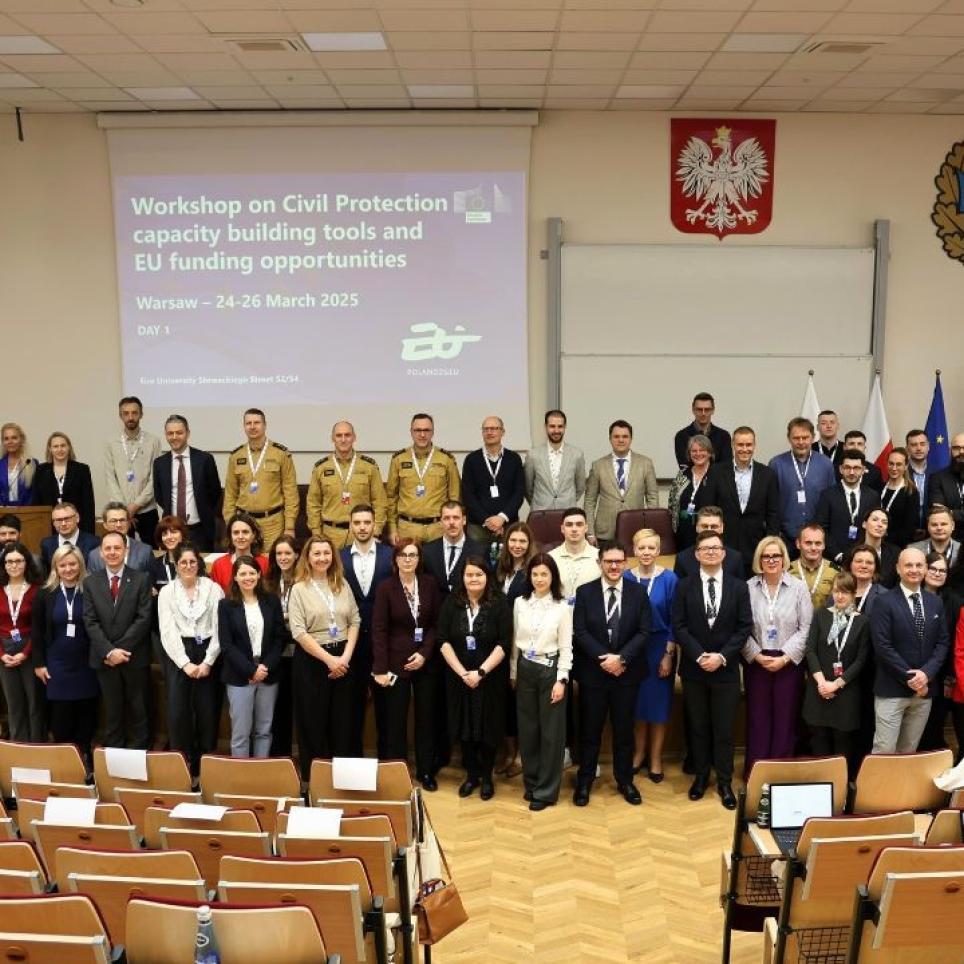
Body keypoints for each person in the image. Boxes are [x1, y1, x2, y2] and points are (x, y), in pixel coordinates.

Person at [673, 530, 753, 810]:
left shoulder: (738, 587)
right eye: (705, 548)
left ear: (724, 553)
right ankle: (700, 777)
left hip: (725, 670)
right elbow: (679, 625)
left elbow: (744, 627)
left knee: (723, 729)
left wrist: (721, 656)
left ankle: (724, 782)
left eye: (715, 548)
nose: (710, 552)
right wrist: (698, 655)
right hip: (694, 669)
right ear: (696, 554)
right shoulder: (684, 586)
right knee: (698, 727)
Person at [572, 541, 651, 807]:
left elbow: (644, 631)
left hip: (626, 675)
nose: (614, 566)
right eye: (609, 561)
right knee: (590, 732)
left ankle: (625, 780)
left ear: (626, 563)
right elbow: (580, 631)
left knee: (624, 732)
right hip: (593, 674)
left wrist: (622, 658)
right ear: (600, 563)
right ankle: (585, 781)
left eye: (618, 561)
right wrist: (604, 659)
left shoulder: (639, 593)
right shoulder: (585, 592)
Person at [438, 556, 511, 800]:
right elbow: (443, 640)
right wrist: (463, 673)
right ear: (462, 577)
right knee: (465, 727)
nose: (474, 579)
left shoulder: (500, 603)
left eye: (479, 574)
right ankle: (472, 775)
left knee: (488, 727)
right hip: (459, 677)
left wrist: (480, 673)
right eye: (469, 574)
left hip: (490, 678)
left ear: (487, 577)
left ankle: (487, 777)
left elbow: (504, 643)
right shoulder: (452, 602)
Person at [288, 536, 361, 778]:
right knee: (313, 723)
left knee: (343, 723)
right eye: (316, 553)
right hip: (312, 661)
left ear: (333, 556)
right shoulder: (298, 589)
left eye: (326, 553)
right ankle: (315, 781)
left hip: (344, 660)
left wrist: (345, 657)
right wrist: (329, 660)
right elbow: (298, 632)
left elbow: (355, 621)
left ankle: (343, 782)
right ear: (307, 557)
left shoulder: (342, 584)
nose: (322, 558)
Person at [371, 539, 442, 786]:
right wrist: (380, 668)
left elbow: (436, 624)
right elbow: (379, 629)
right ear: (395, 559)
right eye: (403, 555)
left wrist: (424, 653)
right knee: (395, 721)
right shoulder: (385, 587)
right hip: (395, 663)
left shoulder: (429, 584)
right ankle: (397, 773)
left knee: (427, 719)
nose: (408, 559)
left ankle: (425, 771)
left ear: (419, 559)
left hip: (425, 662)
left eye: (413, 555)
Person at [741, 536, 812, 776]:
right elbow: (740, 627)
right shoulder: (748, 587)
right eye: (766, 556)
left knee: (785, 720)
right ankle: (756, 773)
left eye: (776, 556)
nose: (771, 560)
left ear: (784, 559)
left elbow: (806, 628)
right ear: (759, 560)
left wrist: (784, 657)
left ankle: (780, 774)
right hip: (757, 662)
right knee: (758, 719)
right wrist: (756, 655)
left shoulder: (799, 587)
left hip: (788, 662)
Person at [870, 547, 949, 753]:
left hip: (923, 692)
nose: (914, 569)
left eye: (919, 565)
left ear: (925, 569)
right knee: (885, 750)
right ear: (898, 568)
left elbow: (942, 643)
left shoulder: (935, 602)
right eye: (908, 565)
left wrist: (926, 675)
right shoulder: (883, 602)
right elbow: (882, 646)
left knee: (909, 751)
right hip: (892, 690)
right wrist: (912, 678)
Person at [512, 553, 572, 810]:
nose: (539, 579)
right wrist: (513, 672)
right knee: (528, 730)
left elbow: (566, 646)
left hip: (550, 670)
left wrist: (562, 679)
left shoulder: (562, 607)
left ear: (553, 577)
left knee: (551, 733)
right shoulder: (520, 603)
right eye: (535, 574)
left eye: (544, 574)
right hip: (525, 668)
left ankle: (546, 791)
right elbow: (514, 641)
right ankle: (532, 783)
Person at [158, 544, 224, 775]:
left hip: (208, 650)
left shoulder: (213, 589)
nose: (188, 566)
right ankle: (182, 764)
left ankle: (205, 764)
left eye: (192, 562)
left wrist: (208, 661)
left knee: (207, 709)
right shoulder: (167, 592)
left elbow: (220, 628)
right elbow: (167, 631)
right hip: (179, 652)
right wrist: (184, 663)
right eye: (183, 562)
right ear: (176, 565)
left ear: (199, 564)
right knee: (178, 710)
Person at [83, 530, 153, 748]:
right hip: (104, 659)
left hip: (134, 657)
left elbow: (144, 618)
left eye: (117, 548)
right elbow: (90, 620)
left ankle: (139, 754)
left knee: (139, 710)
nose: (112, 552)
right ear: (100, 552)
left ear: (126, 550)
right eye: (108, 548)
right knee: (112, 711)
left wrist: (119, 650)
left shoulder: (141, 579)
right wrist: (109, 651)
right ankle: (115, 756)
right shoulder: (90, 582)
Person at [32, 545, 100, 767]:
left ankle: (85, 763)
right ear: (55, 567)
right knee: (61, 722)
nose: (68, 569)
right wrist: (39, 663)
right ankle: (65, 766)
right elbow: (37, 632)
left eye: (73, 564)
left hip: (87, 665)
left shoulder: (91, 589)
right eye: (63, 565)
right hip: (57, 666)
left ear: (80, 565)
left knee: (86, 718)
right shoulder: (45, 593)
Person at [802, 571, 871, 777]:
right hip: (819, 689)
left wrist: (837, 684)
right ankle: (821, 784)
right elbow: (810, 650)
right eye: (836, 591)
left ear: (853, 594)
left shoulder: (862, 622)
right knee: (818, 740)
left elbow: (861, 660)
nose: (840, 596)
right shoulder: (821, 615)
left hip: (846, 691)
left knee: (843, 743)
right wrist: (822, 683)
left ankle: (841, 787)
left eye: (845, 592)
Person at [623, 528, 678, 783]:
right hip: (633, 649)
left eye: (651, 548)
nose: (646, 552)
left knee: (658, 706)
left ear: (659, 551)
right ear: (634, 550)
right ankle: (638, 754)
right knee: (636, 705)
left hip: (659, 648)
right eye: (641, 548)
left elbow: (676, 620)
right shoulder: (626, 577)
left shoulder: (669, 579)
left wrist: (668, 653)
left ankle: (655, 758)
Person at [218, 555, 286, 758]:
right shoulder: (226, 605)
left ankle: (260, 772)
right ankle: (241, 774)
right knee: (241, 734)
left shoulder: (271, 601)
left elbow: (279, 638)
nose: (247, 577)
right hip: (240, 676)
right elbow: (227, 645)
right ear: (235, 577)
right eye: (242, 574)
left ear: (259, 574)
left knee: (264, 731)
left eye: (251, 573)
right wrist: (251, 670)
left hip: (268, 673)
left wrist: (264, 667)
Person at [340, 503, 394, 756]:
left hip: (382, 641)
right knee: (351, 706)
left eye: (366, 522)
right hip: (349, 643)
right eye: (357, 523)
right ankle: (353, 759)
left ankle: (386, 760)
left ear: (375, 525)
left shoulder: (390, 555)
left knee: (385, 706)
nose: (362, 527)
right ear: (350, 525)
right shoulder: (339, 557)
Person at [702, 425, 780, 575]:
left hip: (756, 547)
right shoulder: (716, 472)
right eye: (740, 445)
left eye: (748, 445)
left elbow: (773, 514)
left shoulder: (768, 475)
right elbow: (708, 509)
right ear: (733, 445)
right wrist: (712, 542)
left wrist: (769, 545)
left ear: (754, 445)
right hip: (724, 547)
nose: (744, 449)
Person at [494, 520, 538, 778]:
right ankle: (509, 753)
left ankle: (523, 755)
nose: (517, 545)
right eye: (513, 540)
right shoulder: (499, 569)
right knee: (505, 703)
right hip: (499, 643)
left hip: (523, 645)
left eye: (522, 541)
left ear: (529, 544)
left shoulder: (534, 571)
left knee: (523, 703)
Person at [222, 408, 298, 553]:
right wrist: (231, 524)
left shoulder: (280, 454)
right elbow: (230, 494)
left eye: (256, 422)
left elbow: (291, 493)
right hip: (244, 523)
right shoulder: (236, 456)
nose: (252, 426)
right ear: (244, 426)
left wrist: (289, 527)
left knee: (271, 562)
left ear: (265, 425)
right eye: (248, 423)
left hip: (273, 523)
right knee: (245, 562)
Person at [307, 421, 388, 549]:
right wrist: (316, 533)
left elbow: (379, 501)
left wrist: (376, 531)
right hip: (330, 535)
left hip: (362, 533)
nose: (343, 439)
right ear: (332, 438)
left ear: (354, 437)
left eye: (347, 435)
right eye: (339, 435)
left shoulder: (369, 466)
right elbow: (313, 503)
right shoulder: (321, 467)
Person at [386, 413, 460, 545]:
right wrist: (392, 529)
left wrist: (452, 526)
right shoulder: (399, 459)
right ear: (411, 432)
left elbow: (454, 497)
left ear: (433, 432)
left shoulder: (446, 459)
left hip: (438, 528)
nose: (422, 434)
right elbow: (391, 497)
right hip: (407, 528)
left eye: (426, 430)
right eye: (418, 430)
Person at [152, 415, 222, 552]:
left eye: (179, 433)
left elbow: (215, 492)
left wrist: (205, 511)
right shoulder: (160, 463)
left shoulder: (204, 459)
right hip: (172, 531)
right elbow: (159, 496)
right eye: (170, 433)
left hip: (200, 529)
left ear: (188, 433)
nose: (174, 437)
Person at [768, 417, 836, 550]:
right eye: (796, 438)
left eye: (805, 437)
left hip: (817, 539)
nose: (801, 442)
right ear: (789, 438)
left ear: (813, 437)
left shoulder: (825, 464)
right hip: (785, 538)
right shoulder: (776, 464)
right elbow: (770, 503)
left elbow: (832, 501)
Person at [585, 420, 658, 543]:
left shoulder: (645, 463)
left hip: (636, 531)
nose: (621, 440)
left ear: (631, 439)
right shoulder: (598, 465)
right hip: (605, 533)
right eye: (616, 436)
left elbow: (652, 497)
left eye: (625, 436)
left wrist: (649, 530)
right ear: (610, 439)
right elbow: (589, 501)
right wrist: (590, 533)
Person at [0, 542, 45, 741]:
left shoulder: (38, 590)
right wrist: (2, 655)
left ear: (27, 563)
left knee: (35, 703)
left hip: (30, 649)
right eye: (9, 561)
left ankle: (36, 746)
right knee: (14, 704)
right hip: (4, 652)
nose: (14, 565)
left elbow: (40, 628)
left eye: (19, 561)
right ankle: (18, 746)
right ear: (3, 565)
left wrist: (25, 653)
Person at [918, 551, 961, 753]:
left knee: (935, 725)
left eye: (942, 570)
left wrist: (950, 677)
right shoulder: (912, 595)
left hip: (942, 676)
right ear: (924, 569)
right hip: (913, 672)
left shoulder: (954, 601)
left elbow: (955, 642)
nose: (937, 573)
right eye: (933, 568)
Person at [103, 397, 162, 546]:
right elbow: (110, 478)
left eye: (134, 413)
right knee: (121, 550)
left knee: (152, 552)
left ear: (141, 414)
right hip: (119, 513)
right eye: (126, 413)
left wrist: (136, 505)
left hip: (147, 510)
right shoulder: (111, 443)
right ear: (120, 415)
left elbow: (155, 478)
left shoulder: (153, 441)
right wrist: (124, 509)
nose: (130, 417)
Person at [461, 415, 525, 549]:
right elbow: (468, 495)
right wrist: (487, 520)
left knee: (507, 561)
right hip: (478, 527)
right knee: (477, 561)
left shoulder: (514, 459)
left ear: (503, 432)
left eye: (494, 428)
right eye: (486, 429)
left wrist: (502, 518)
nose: (489, 432)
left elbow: (519, 493)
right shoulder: (471, 460)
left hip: (508, 525)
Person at [263, 535, 300, 758]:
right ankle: (280, 758)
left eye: (287, 553)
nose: (283, 557)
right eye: (279, 553)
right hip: (276, 655)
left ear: (297, 555)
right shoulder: (267, 583)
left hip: (301, 653)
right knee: (279, 709)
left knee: (302, 707)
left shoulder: (305, 581)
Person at [815, 448, 880, 562]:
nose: (851, 472)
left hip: (864, 558)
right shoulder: (827, 495)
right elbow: (821, 528)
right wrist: (837, 554)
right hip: (834, 558)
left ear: (863, 470)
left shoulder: (873, 496)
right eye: (847, 467)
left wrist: (866, 554)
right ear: (841, 469)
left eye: (856, 468)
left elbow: (875, 527)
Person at [31, 431, 95, 533]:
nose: (60, 449)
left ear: (69, 447)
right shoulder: (41, 470)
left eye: (63, 446)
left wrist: (89, 533)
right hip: (48, 526)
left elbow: (88, 504)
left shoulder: (82, 470)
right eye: (55, 446)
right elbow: (36, 502)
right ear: (50, 449)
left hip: (76, 526)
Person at [523, 409, 586, 511]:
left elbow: (581, 486)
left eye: (560, 426)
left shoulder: (577, 454)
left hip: (568, 512)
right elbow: (527, 488)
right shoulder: (533, 455)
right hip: (541, 512)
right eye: (552, 426)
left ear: (565, 427)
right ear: (545, 427)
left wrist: (567, 501)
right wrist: (538, 503)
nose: (556, 430)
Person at [422, 501, 487, 596]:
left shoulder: (480, 550)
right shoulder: (427, 551)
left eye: (456, 518)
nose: (451, 522)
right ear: (441, 522)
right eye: (446, 518)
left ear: (464, 520)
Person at [668, 434, 714, 552]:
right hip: (683, 533)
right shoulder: (682, 474)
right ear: (689, 454)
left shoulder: (717, 474)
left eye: (702, 450)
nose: (698, 454)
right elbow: (672, 503)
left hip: (709, 533)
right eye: (694, 451)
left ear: (709, 452)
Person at [672, 507, 744, 582]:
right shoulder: (682, 559)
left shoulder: (735, 559)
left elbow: (740, 587)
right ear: (697, 527)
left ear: (722, 528)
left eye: (714, 526)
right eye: (705, 526)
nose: (709, 530)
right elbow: (679, 588)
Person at [209, 513, 269, 591]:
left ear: (253, 535)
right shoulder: (219, 565)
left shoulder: (265, 563)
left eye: (245, 532)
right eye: (236, 532)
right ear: (230, 536)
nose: (240, 537)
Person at [87, 504, 153, 573]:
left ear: (129, 523)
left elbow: (152, 578)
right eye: (113, 521)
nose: (118, 525)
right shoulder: (94, 555)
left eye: (122, 520)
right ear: (105, 525)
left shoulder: (145, 551)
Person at [673, 392, 732, 468]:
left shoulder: (724, 436)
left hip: (719, 476)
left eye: (707, 409)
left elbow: (725, 466)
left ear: (713, 410)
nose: (703, 413)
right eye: (699, 409)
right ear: (693, 410)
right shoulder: (681, 436)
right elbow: (685, 467)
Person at [789, 523, 838, 610]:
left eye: (818, 543)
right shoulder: (786, 571)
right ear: (798, 544)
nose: (813, 548)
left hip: (825, 619)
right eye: (808, 543)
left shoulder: (836, 572)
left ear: (824, 545)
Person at [40, 502, 99, 571]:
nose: (63, 524)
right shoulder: (47, 544)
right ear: (53, 523)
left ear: (77, 518)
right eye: (58, 520)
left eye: (67, 519)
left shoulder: (94, 542)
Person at [879, 447, 918, 549]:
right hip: (875, 541)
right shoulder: (879, 487)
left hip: (897, 546)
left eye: (899, 464)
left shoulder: (911, 492)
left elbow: (909, 527)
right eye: (891, 463)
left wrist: (887, 540)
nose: (894, 468)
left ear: (906, 466)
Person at [927, 433, 964, 528]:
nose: (961, 452)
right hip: (949, 534)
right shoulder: (937, 477)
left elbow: (945, 513)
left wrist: (952, 513)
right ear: (950, 451)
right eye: (956, 448)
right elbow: (938, 512)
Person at [860, 508, 899, 588]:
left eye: (884, 522)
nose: (880, 525)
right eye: (875, 520)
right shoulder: (852, 551)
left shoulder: (895, 553)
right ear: (864, 524)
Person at [0, 422, 38, 507]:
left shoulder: (32, 463)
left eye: (14, 438)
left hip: (27, 511)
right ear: (3, 442)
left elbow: (35, 494)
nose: (10, 442)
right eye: (6, 439)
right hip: (2, 512)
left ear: (21, 440)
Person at [905, 429, 930, 537]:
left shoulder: (937, 473)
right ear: (907, 449)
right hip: (906, 533)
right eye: (914, 445)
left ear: (928, 447)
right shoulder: (900, 472)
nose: (919, 448)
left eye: (922, 444)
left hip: (931, 532)